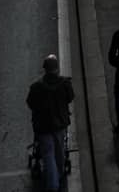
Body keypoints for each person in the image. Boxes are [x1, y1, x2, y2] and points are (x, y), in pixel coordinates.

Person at [27, 55, 74, 192]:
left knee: (48, 154)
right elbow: (70, 97)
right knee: (60, 152)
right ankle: (59, 176)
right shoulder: (65, 84)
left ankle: (53, 184)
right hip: (59, 124)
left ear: (45, 69)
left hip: (43, 127)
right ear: (57, 68)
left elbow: (30, 103)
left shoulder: (36, 87)